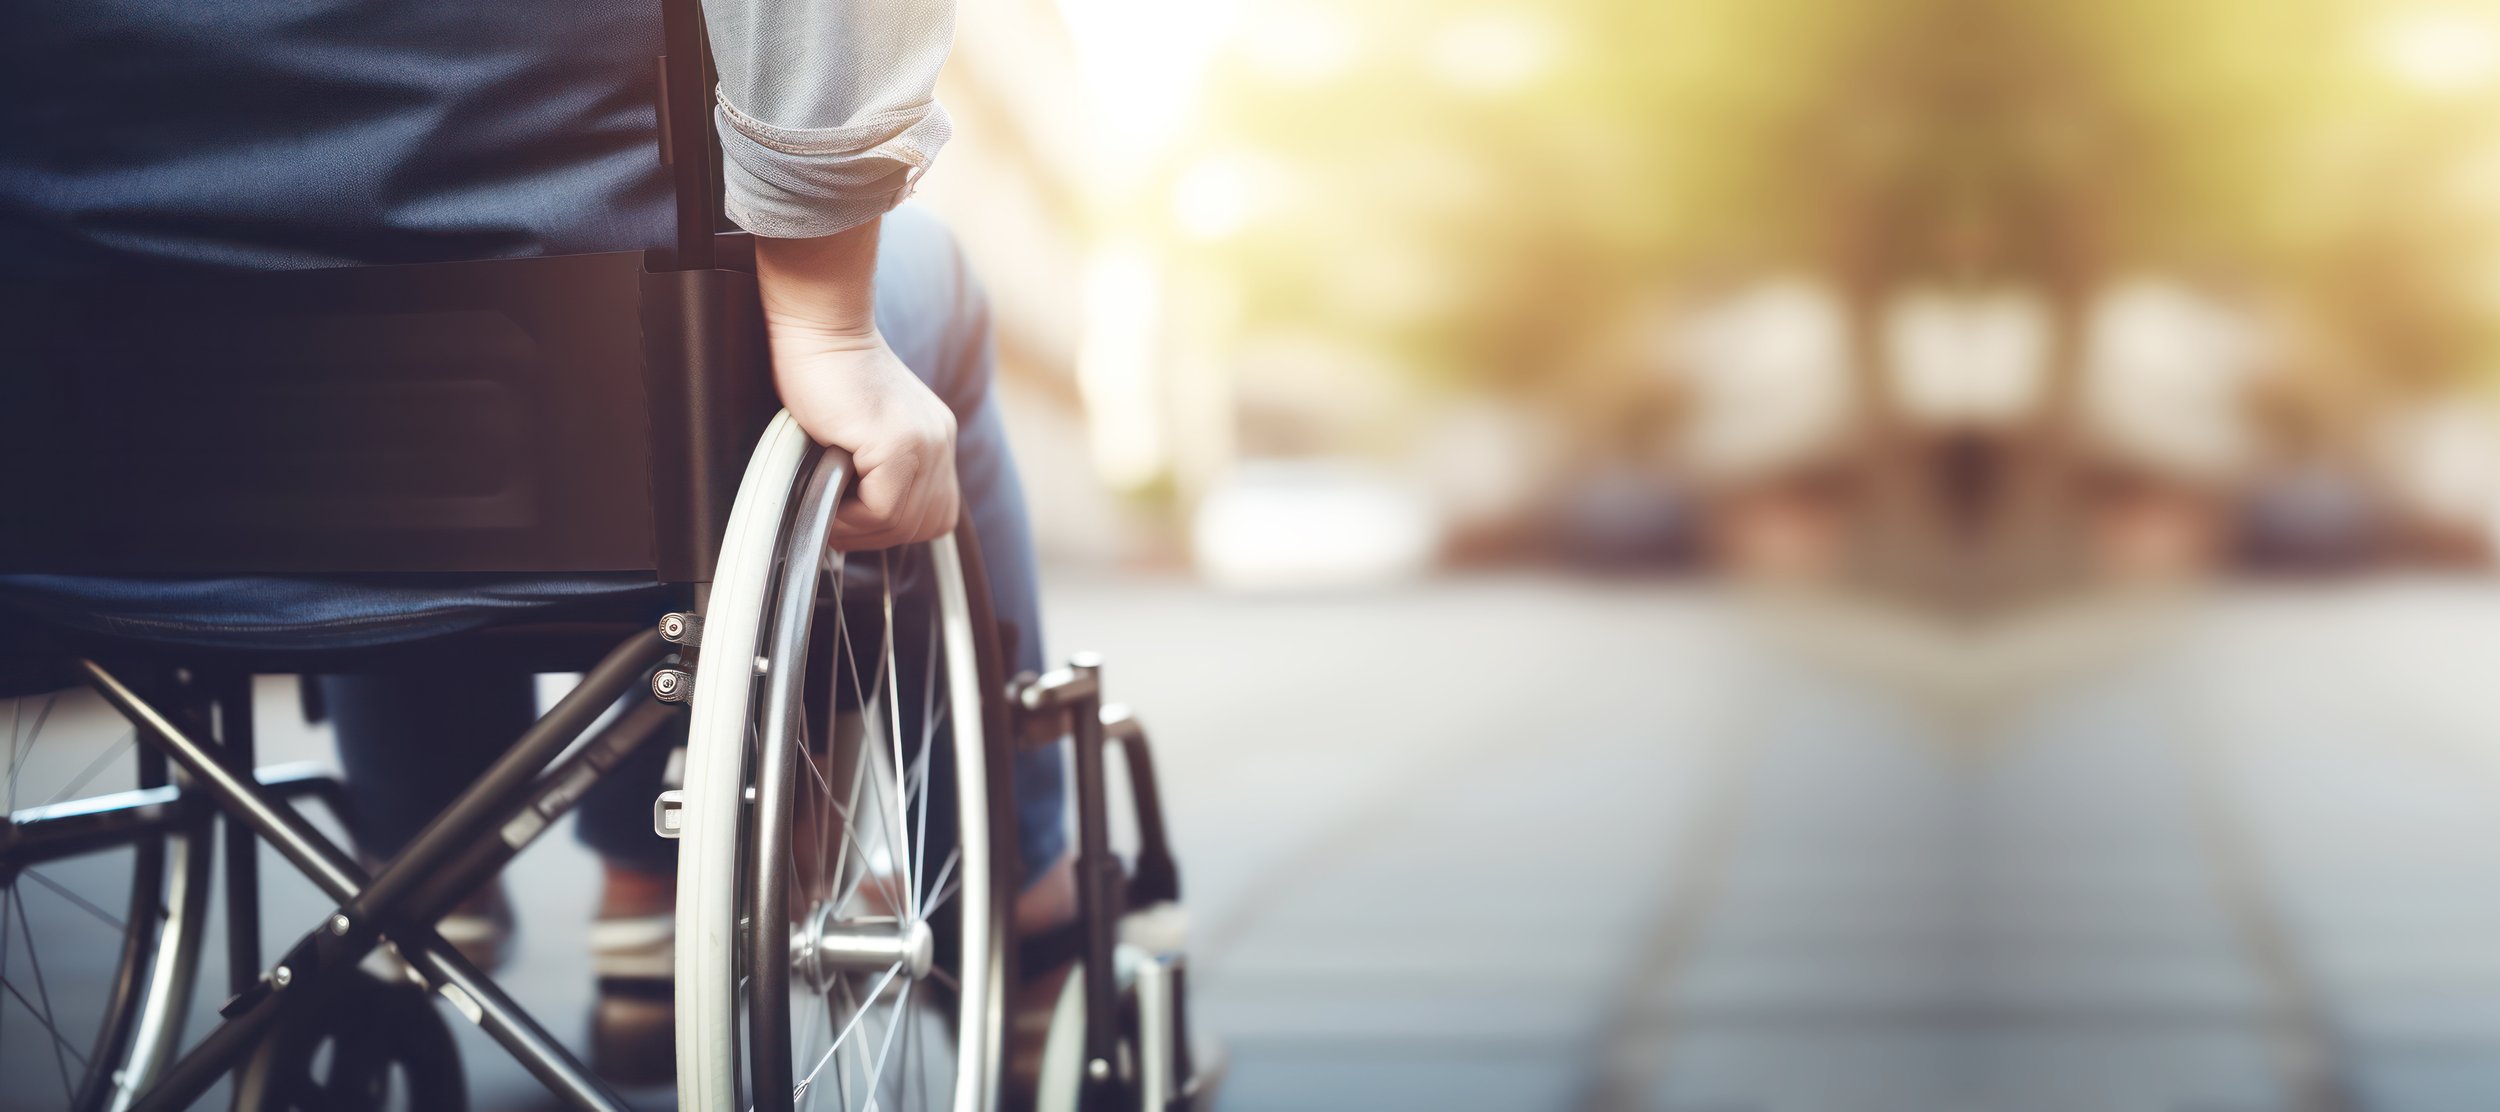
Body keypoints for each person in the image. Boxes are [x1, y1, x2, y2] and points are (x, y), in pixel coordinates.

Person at [0, 0, 1072, 1078]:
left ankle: (427, 847)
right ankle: (1010, 903)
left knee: (347, 266)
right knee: (918, 291)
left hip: (99, 425)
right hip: (588, 361)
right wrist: (827, 327)